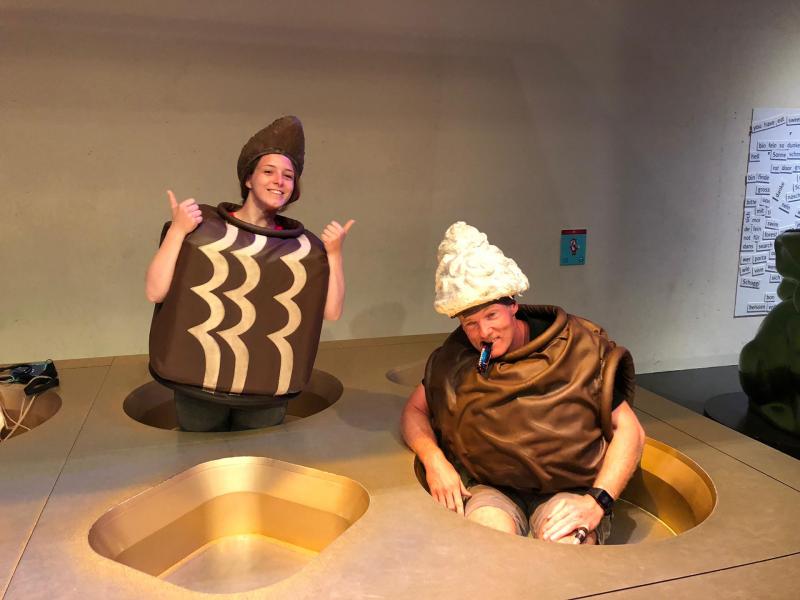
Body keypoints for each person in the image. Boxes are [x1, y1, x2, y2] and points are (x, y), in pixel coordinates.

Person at [401, 222, 645, 545]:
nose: (484, 332)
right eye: (470, 323)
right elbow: (415, 410)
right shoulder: (455, 359)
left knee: (565, 552)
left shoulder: (579, 349)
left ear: (513, 305)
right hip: (491, 487)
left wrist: (596, 502)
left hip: (568, 489)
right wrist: (434, 460)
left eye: (492, 316)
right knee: (488, 549)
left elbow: (631, 431)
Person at [145, 116, 354, 431]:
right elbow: (155, 291)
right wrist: (177, 231)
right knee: (198, 458)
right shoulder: (201, 231)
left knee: (258, 461)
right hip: (198, 388)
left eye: (288, 176)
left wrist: (334, 255)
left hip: (267, 393)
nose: (278, 181)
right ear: (248, 179)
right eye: (268, 171)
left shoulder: (302, 250)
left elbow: (332, 312)